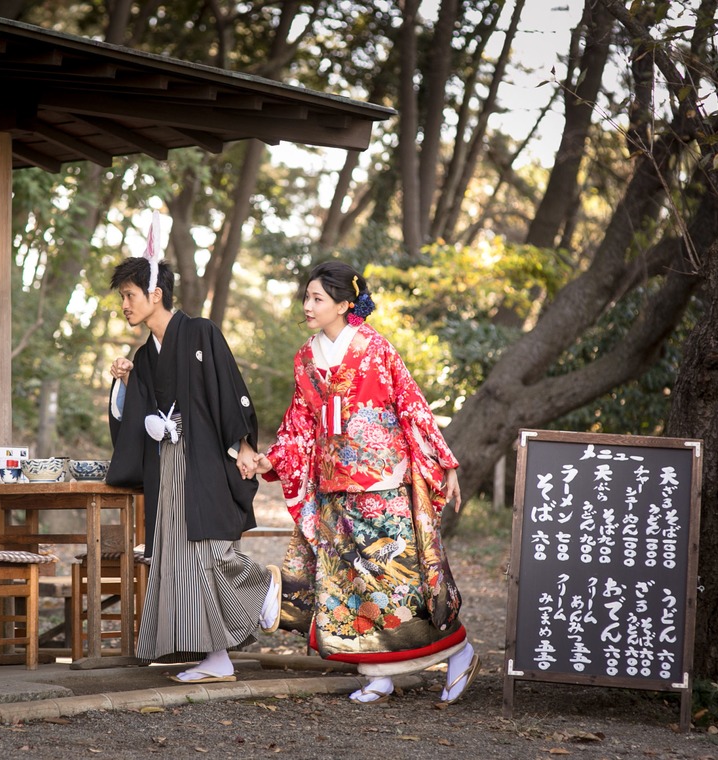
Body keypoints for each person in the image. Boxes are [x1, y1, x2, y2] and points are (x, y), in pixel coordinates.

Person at [251, 260, 479, 705]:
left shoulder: (375, 348)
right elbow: (299, 423)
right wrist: (269, 460)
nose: (308, 305)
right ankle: (377, 674)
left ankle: (460, 652)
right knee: (350, 585)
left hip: (382, 482)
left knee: (399, 580)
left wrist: (444, 462)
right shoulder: (306, 356)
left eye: (318, 298)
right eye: (307, 296)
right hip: (332, 483)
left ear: (344, 303)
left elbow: (411, 404)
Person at [105, 239, 281, 683]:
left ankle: (262, 589)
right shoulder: (145, 357)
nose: (124, 305)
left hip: (200, 457)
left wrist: (241, 444)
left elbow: (228, 388)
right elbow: (135, 420)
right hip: (167, 464)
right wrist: (126, 386)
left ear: (155, 294)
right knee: (181, 559)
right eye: (122, 297)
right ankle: (217, 657)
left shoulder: (201, 332)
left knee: (210, 550)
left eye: (129, 295)